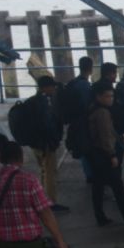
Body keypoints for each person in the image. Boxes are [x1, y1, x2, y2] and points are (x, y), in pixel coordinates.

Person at [87, 82, 124, 226]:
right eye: (107, 96)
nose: (110, 99)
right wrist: (112, 155)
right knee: (118, 187)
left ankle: (99, 216)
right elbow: (106, 136)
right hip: (105, 155)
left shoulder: (93, 108)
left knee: (98, 186)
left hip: (95, 154)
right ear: (98, 96)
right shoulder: (103, 113)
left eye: (112, 96)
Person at [31, 75, 69, 212]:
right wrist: (53, 141)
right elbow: (48, 125)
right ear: (45, 88)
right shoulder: (44, 103)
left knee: (44, 171)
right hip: (46, 143)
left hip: (36, 143)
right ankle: (51, 203)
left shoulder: (33, 101)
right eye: (52, 87)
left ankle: (43, 198)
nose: (54, 89)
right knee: (50, 173)